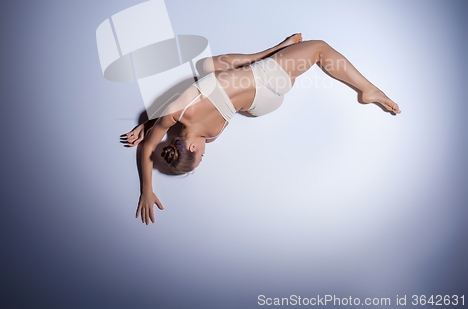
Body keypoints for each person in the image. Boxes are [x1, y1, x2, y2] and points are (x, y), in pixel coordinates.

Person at [120, 34, 400, 225]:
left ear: (191, 147)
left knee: (207, 67)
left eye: (201, 156)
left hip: (262, 103)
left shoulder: (204, 132)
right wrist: (150, 125)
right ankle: (368, 90)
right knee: (320, 48)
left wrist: (148, 131)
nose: (205, 153)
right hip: (267, 77)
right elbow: (149, 145)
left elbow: (149, 143)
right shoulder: (177, 112)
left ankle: (278, 48)